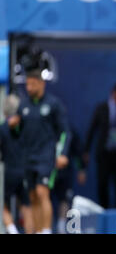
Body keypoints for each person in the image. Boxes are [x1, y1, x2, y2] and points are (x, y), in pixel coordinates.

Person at [13, 69, 72, 234]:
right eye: (27, 84)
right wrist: (13, 126)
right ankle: (38, 230)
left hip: (46, 157)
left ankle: (46, 230)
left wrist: (63, 154)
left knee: (42, 192)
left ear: (41, 83)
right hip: (27, 157)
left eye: (33, 84)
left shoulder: (53, 104)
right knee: (31, 196)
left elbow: (65, 132)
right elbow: (17, 132)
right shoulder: (23, 105)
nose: (29, 87)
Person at [84, 82, 116, 208]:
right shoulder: (102, 108)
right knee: (103, 183)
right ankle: (104, 211)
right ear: (112, 93)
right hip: (104, 152)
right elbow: (92, 129)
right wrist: (86, 150)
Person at [1, 94, 33, 234]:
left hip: (9, 173)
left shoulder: (2, 129)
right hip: (26, 172)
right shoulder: (27, 127)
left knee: (4, 206)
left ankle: (13, 231)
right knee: (26, 206)